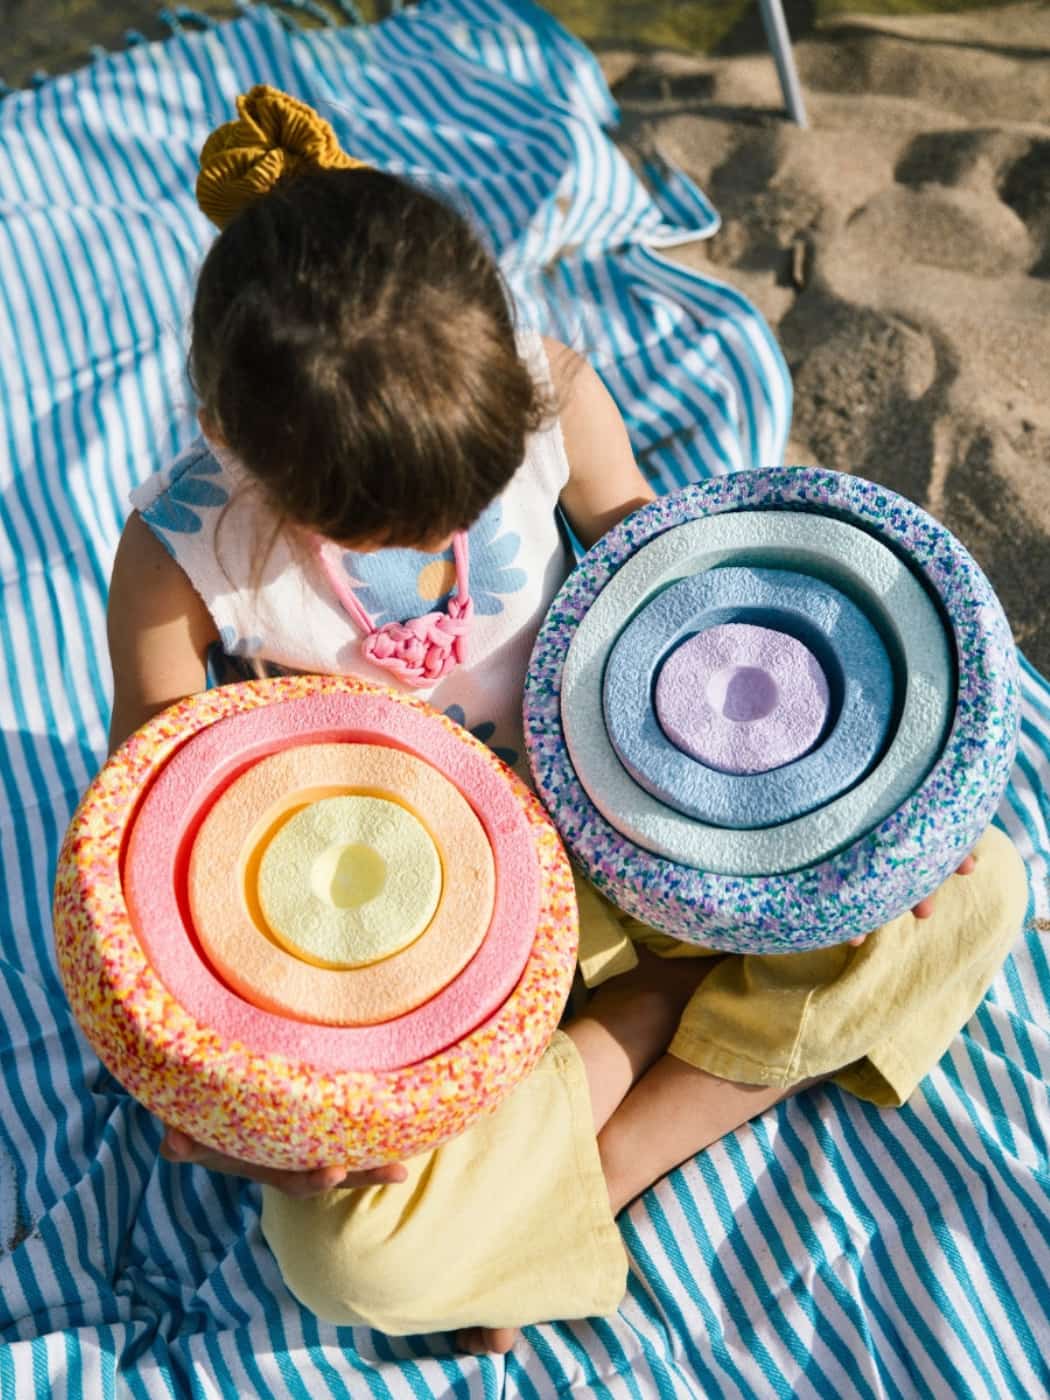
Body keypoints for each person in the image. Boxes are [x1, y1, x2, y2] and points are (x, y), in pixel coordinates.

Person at [106, 86, 1029, 1355]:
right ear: (227, 438)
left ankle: (606, 1169)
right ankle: (667, 1012)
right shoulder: (176, 555)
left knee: (977, 883)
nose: (444, 537)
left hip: (641, 818)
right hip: (414, 927)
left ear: (501, 342)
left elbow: (677, 595)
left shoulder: (554, 392)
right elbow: (153, 848)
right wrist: (233, 1100)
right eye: (379, 530)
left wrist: (871, 817)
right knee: (349, 1251)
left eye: (471, 496)